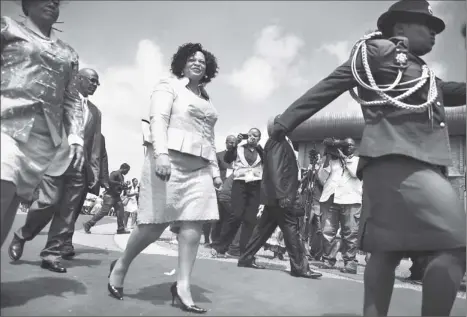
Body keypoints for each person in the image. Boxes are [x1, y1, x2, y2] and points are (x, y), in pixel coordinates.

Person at [270, 1, 466, 315]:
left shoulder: (422, 71)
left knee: (386, 251)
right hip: (398, 161)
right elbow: (334, 82)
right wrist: (285, 122)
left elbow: (450, 91)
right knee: (455, 244)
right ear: (400, 27)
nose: (433, 33)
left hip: (406, 164)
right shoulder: (379, 51)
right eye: (426, 25)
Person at [107, 43, 222, 314]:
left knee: (194, 228)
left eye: (203, 61)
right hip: (169, 162)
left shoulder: (207, 98)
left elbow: (210, 138)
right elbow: (157, 119)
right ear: (181, 63)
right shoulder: (168, 86)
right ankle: (121, 265)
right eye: (192, 59)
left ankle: (182, 286)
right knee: (152, 226)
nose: (198, 63)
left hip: (201, 168)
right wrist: (160, 155)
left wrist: (215, 172)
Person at [1, 0, 84, 246]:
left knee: (11, 202)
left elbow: (71, 98)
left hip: (42, 137)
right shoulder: (7, 28)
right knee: (3, 182)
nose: (51, 3)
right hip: (5, 121)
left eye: (56, 1)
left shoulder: (69, 53)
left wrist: (76, 136)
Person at [7, 68, 103, 272]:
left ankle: (51, 255)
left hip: (79, 166)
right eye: (92, 81)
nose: (95, 85)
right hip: (55, 160)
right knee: (46, 203)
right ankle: (22, 235)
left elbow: (95, 143)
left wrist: (94, 170)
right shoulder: (59, 101)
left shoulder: (95, 112)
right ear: (79, 79)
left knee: (67, 213)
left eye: (97, 83)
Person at [237, 126, 322, 279]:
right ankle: (299, 267)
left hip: (274, 197)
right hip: (281, 197)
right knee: (291, 230)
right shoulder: (278, 142)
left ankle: (245, 257)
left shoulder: (278, 142)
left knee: (262, 230)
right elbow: (276, 170)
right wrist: (283, 195)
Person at [211, 128, 263, 257]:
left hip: (255, 185)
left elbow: (267, 164)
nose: (252, 137)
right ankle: (220, 247)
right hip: (240, 184)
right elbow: (228, 159)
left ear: (259, 138)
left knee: (250, 219)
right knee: (236, 216)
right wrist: (235, 144)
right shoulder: (239, 148)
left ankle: (243, 250)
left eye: (255, 136)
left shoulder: (261, 151)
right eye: (250, 135)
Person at [316, 138, 362, 274]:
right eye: (344, 145)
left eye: (350, 145)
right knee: (327, 231)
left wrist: (344, 158)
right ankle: (328, 259)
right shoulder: (333, 160)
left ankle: (350, 262)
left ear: (355, 148)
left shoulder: (358, 160)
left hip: (351, 200)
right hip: (331, 198)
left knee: (350, 232)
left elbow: (355, 173)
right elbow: (321, 178)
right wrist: (326, 157)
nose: (347, 147)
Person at [207, 135, 238, 246]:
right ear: (226, 142)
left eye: (234, 142)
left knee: (228, 217)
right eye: (230, 142)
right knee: (218, 216)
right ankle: (214, 240)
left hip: (233, 190)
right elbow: (213, 171)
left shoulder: (238, 157)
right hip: (219, 188)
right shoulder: (219, 156)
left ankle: (224, 241)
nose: (233, 144)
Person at [83, 163, 131, 234]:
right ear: (124, 168)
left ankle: (120, 229)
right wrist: (120, 183)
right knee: (103, 212)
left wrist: (124, 187)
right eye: (127, 170)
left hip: (116, 197)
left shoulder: (121, 176)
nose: (127, 172)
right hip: (110, 196)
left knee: (120, 212)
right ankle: (88, 224)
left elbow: (118, 186)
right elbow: (110, 181)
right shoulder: (115, 173)